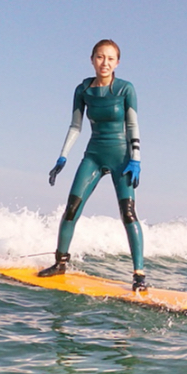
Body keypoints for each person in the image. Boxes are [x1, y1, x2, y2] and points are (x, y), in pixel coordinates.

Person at [38, 39, 146, 290]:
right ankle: (60, 263)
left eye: (110, 58)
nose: (104, 62)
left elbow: (133, 125)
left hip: (122, 158)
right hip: (94, 155)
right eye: (100, 57)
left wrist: (136, 159)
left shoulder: (125, 89)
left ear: (117, 62)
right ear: (92, 59)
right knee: (72, 208)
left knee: (128, 214)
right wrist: (62, 156)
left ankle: (139, 275)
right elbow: (75, 125)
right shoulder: (83, 90)